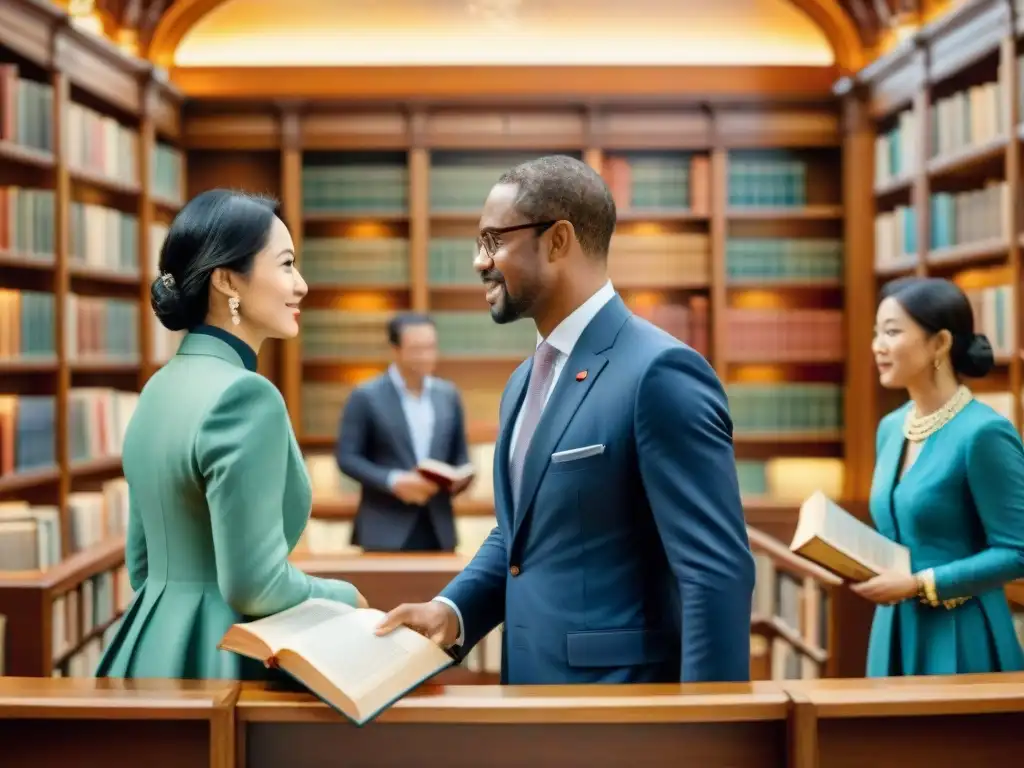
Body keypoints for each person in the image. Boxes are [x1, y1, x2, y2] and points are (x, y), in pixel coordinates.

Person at [376, 155, 755, 684]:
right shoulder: (521, 382)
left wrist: (715, 729)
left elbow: (715, 572)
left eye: (492, 241)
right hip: (531, 695)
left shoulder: (660, 373)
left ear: (557, 241)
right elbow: (522, 535)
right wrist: (454, 611)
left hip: (621, 706)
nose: (478, 261)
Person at [95, 189, 365, 680]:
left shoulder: (158, 388)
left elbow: (141, 564)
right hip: (218, 657)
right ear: (226, 280)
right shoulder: (246, 397)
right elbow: (253, 585)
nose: (301, 285)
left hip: (142, 649)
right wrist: (344, 596)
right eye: (286, 265)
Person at [855, 276, 1024, 676]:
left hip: (961, 631)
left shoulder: (984, 432)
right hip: (894, 625)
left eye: (892, 332)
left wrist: (919, 584)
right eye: (876, 332)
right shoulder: (891, 427)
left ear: (940, 343)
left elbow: (1018, 551)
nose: (878, 345)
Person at [335, 312, 472, 552]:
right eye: (417, 349)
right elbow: (347, 458)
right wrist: (394, 481)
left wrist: (459, 480)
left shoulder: (448, 395)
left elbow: (460, 456)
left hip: (438, 529)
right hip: (384, 528)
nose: (427, 356)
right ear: (395, 350)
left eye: (431, 347)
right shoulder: (365, 396)